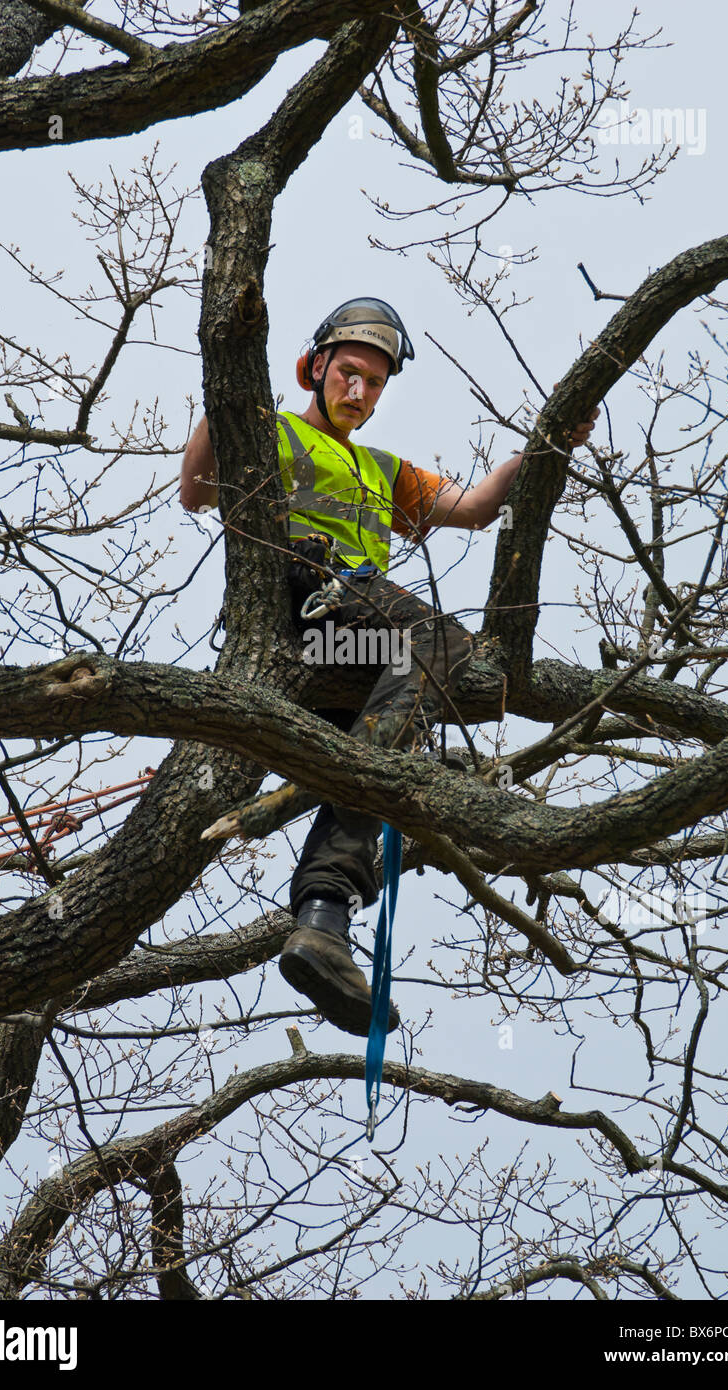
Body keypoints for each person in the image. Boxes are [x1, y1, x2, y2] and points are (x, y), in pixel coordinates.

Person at [181, 298, 598, 1037]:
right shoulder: (268, 431)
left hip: (356, 646)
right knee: (442, 645)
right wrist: (228, 403)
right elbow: (197, 491)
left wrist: (544, 449)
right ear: (314, 369)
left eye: (374, 385)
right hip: (305, 603)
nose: (359, 394)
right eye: (347, 375)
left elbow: (470, 509)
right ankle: (373, 773)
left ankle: (322, 919)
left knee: (398, 720)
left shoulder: (382, 469)